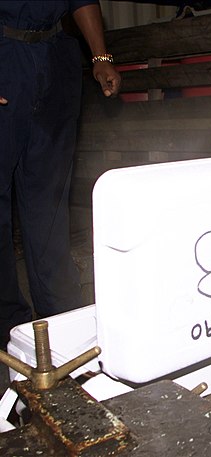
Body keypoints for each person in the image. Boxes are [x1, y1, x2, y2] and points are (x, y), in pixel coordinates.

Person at [0, 1, 121, 348]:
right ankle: (11, 331)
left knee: (49, 202)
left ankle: (64, 324)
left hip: (55, 60)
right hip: (5, 57)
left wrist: (100, 56)